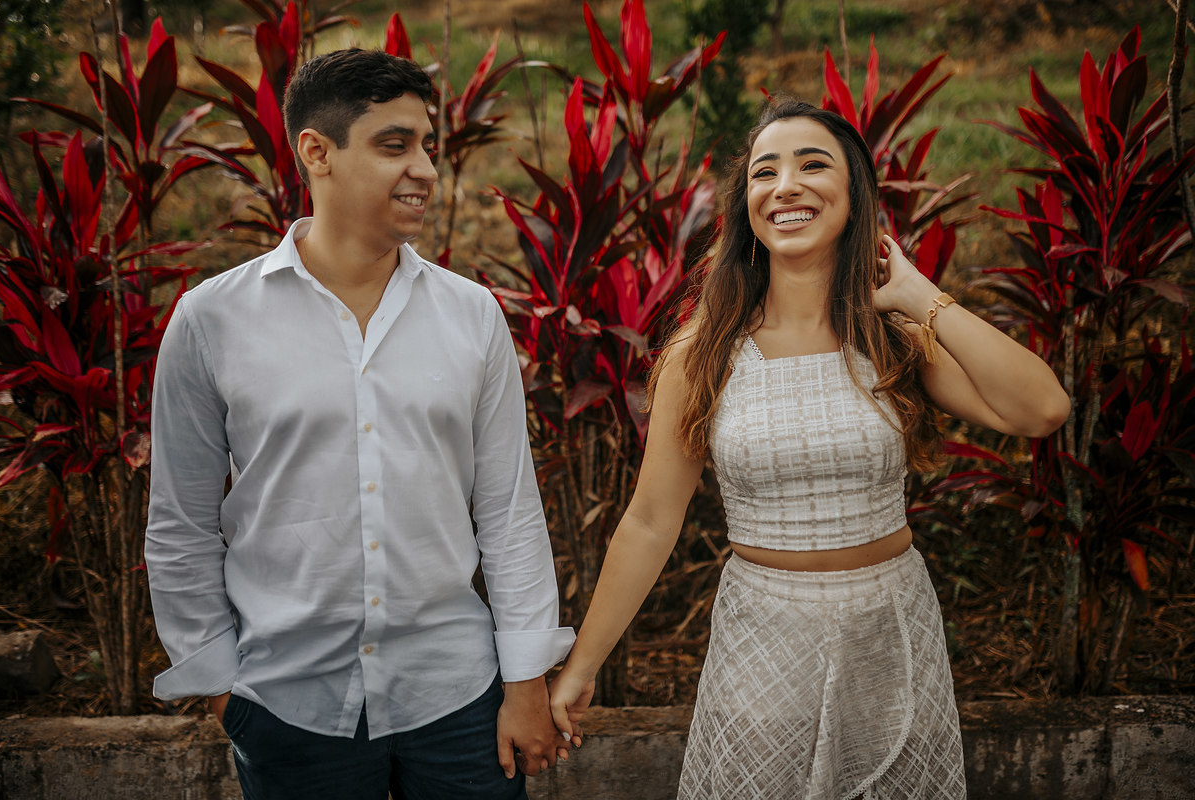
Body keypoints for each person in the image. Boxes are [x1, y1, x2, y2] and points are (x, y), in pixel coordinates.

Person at [548, 99, 1071, 798]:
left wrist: (917, 293)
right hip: (763, 632)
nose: (785, 185)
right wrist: (581, 669)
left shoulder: (893, 339)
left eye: (812, 164)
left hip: (890, 626)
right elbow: (650, 521)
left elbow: (1042, 409)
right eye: (765, 172)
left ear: (856, 197)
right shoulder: (701, 354)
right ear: (747, 209)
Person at [145, 49, 574, 800]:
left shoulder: (472, 316)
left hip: (459, 699)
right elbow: (179, 523)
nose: (425, 169)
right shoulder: (211, 320)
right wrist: (220, 688)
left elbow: (508, 511)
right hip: (287, 704)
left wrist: (526, 680)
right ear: (318, 152)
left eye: (428, 147)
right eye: (393, 144)